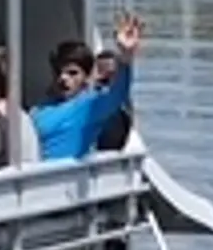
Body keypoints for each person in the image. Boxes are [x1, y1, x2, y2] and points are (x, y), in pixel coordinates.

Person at [32, 15, 142, 161]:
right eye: (59, 72)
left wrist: (126, 55)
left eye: (72, 73)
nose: (63, 78)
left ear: (87, 77)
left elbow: (117, 94)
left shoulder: (88, 107)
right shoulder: (40, 108)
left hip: (63, 173)